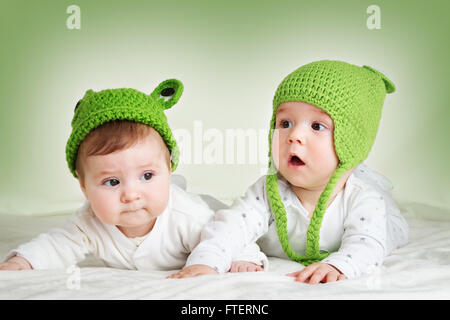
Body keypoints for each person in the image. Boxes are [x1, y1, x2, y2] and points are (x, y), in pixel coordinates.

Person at [169, 60, 409, 284]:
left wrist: (339, 266)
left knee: (391, 228)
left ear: (351, 140)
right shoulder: (267, 192)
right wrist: (207, 262)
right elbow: (231, 227)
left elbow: (368, 244)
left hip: (379, 213)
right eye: (285, 123)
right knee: (212, 213)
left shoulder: (362, 199)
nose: (294, 136)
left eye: (317, 126)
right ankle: (173, 191)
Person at [0, 79, 263, 271]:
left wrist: (241, 259)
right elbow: (57, 245)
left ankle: (175, 186)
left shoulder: (187, 217)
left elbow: (229, 233)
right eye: (111, 182)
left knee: (215, 210)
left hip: (203, 204)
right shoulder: (89, 222)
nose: (130, 194)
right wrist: (24, 260)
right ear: (83, 185)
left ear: (169, 167)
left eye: (147, 175)